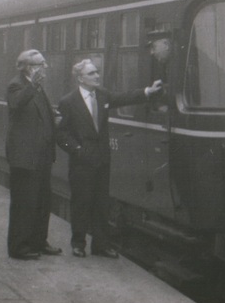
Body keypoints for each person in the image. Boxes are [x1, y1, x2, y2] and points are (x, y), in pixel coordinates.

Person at [56, 57, 162, 258]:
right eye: (91, 73)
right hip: (81, 162)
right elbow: (61, 134)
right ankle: (78, 243)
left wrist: (148, 91)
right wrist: (77, 150)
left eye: (96, 72)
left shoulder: (103, 95)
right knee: (81, 203)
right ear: (80, 78)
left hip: (102, 161)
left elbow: (124, 97)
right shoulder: (68, 102)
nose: (97, 76)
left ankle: (100, 245)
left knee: (101, 203)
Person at [5, 49, 63, 260]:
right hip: (25, 156)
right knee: (24, 202)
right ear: (29, 67)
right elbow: (17, 103)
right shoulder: (16, 84)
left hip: (42, 155)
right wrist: (33, 84)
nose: (45, 68)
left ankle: (39, 241)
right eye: (41, 64)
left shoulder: (37, 87)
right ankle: (19, 247)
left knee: (41, 201)